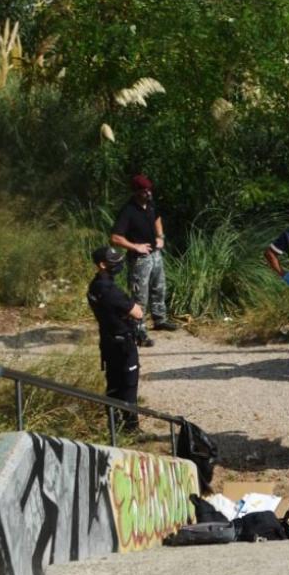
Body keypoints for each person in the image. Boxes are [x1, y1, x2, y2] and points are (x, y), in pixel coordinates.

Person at [109, 174, 175, 347]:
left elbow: (157, 218)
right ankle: (139, 331)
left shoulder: (150, 204)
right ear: (136, 191)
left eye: (149, 190)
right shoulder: (128, 211)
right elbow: (115, 238)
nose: (148, 193)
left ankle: (160, 319)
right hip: (140, 260)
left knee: (159, 288)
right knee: (140, 296)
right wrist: (135, 246)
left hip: (155, 254)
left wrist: (161, 236)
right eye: (144, 191)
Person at [86, 246, 144, 432]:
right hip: (123, 344)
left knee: (113, 384)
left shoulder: (95, 285)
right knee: (128, 385)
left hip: (108, 341)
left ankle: (114, 423)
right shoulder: (110, 290)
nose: (119, 265)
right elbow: (137, 312)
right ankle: (131, 428)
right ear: (102, 265)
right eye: (115, 262)